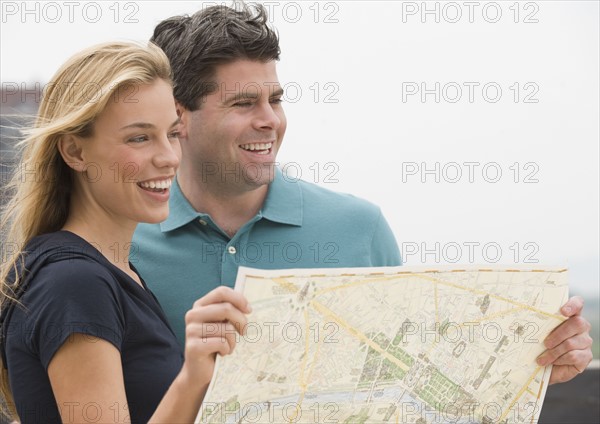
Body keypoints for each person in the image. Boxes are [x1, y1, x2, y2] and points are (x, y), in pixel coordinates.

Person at [132, 3, 593, 388]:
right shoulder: (122, 240)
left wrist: (531, 368)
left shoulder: (359, 228)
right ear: (179, 116)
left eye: (276, 99)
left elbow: (414, 385)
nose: (270, 119)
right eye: (243, 103)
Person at [0, 41, 250, 424]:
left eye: (172, 134)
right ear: (75, 152)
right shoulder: (75, 282)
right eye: (139, 138)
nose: (168, 157)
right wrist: (192, 375)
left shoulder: (111, 272)